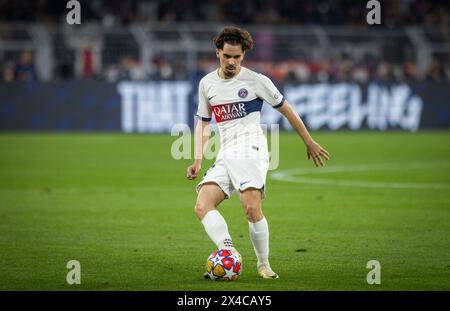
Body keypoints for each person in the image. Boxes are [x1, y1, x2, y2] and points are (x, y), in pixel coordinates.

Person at [186, 26, 330, 279]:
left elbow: (287, 109)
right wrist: (197, 159)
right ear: (218, 52)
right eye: (227, 56)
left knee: (251, 208)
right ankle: (228, 252)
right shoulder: (207, 84)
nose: (232, 62)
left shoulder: (257, 81)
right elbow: (204, 122)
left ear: (243, 56)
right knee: (202, 204)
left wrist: (309, 141)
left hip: (251, 148)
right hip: (226, 153)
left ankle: (264, 264)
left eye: (237, 57)